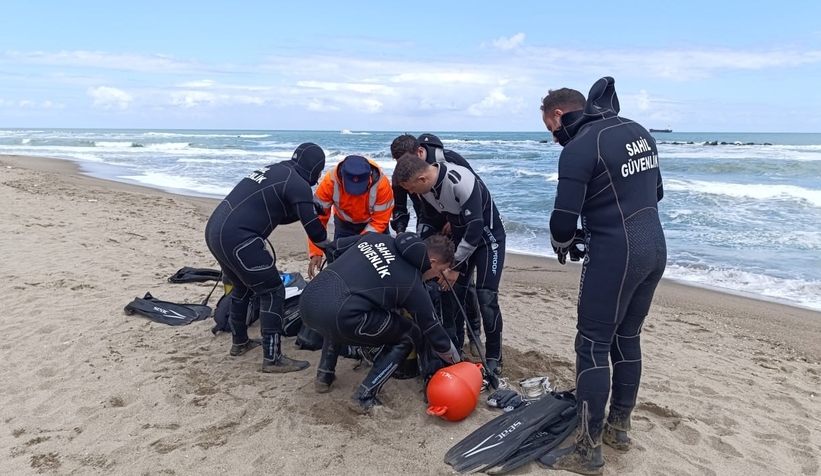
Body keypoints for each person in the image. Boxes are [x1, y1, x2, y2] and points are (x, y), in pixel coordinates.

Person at [537, 77, 667, 475]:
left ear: (559, 114)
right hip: (654, 248)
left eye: (551, 128)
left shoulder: (580, 147)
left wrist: (566, 242)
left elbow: (562, 223)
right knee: (627, 338)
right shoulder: (638, 131)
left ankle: (586, 451)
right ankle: (618, 428)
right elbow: (656, 192)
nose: (554, 137)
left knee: (591, 345)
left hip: (616, 254)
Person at [299, 232, 461, 413]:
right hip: (340, 317)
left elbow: (333, 248)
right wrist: (457, 363)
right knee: (410, 334)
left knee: (341, 303)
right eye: (440, 271)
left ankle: (324, 375)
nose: (436, 277)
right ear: (432, 262)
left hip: (308, 301)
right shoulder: (411, 284)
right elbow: (433, 330)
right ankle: (364, 396)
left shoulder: (375, 238)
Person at [204, 142, 329, 373]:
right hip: (240, 240)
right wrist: (332, 248)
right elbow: (316, 233)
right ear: (314, 168)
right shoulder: (299, 184)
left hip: (215, 231)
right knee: (273, 291)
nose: (320, 177)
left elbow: (277, 213)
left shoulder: (278, 170)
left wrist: (307, 208)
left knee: (242, 288)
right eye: (320, 171)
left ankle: (240, 342)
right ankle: (272, 359)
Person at [393, 153, 506, 377]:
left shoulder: (459, 180)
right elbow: (428, 220)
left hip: (487, 239)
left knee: (486, 297)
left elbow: (475, 230)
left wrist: (455, 267)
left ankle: (494, 356)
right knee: (450, 293)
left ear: (422, 179)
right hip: (461, 239)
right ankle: (456, 347)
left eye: (411, 188)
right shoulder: (425, 190)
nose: (411, 193)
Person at [389, 134, 483, 359]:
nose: (404, 166)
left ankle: (474, 333)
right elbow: (400, 208)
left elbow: (475, 192)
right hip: (428, 221)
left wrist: (456, 218)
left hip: (455, 223)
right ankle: (437, 330)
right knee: (428, 274)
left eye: (407, 160)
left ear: (419, 153)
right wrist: (400, 232)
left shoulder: (449, 160)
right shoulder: (401, 175)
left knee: (462, 281)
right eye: (399, 162)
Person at [307, 154, 394, 278]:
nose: (355, 194)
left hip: (374, 227)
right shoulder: (329, 183)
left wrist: (357, 246)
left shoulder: (382, 185)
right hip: (344, 226)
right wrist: (316, 251)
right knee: (340, 267)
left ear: (369, 177)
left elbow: (380, 221)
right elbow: (318, 219)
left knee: (383, 267)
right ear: (342, 177)